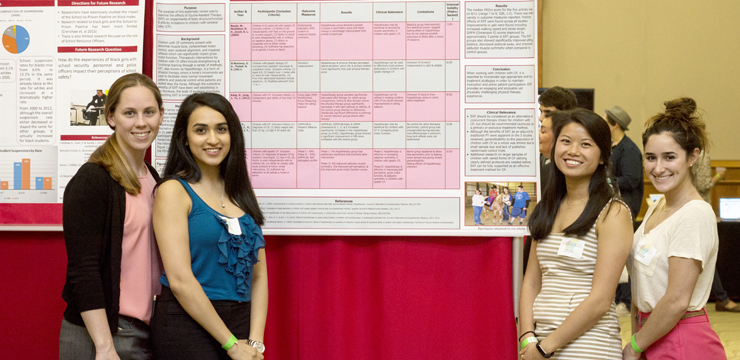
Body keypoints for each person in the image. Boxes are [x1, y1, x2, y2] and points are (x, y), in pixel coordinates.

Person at [150, 93, 267, 360]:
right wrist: (231, 345)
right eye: (201, 130)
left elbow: (258, 275)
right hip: (186, 325)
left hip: (241, 325)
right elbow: (180, 280)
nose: (213, 139)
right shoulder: (173, 191)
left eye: (221, 129)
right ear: (185, 138)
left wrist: (255, 341)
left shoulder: (241, 194)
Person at [59, 73, 164, 359]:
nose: (141, 123)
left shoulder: (154, 179)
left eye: (149, 112)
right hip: (105, 336)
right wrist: (105, 348)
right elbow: (84, 270)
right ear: (111, 118)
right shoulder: (92, 180)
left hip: (145, 331)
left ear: (161, 115)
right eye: (129, 113)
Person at [519, 109, 632, 359]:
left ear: (603, 156)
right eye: (566, 141)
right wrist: (527, 337)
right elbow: (531, 282)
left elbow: (601, 299)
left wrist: (545, 348)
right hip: (539, 345)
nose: (572, 151)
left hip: (588, 347)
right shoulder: (547, 208)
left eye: (585, 144)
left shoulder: (613, 212)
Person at [623, 98, 726, 360]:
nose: (658, 168)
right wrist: (638, 337)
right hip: (652, 334)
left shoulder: (694, 214)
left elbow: (677, 300)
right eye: (650, 158)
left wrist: (634, 347)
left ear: (693, 156)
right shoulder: (659, 207)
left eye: (670, 157)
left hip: (682, 338)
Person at [527, 87, 578, 273]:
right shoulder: (542, 156)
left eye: (548, 113)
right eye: (541, 112)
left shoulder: (574, 165)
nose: (541, 117)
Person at [603, 105, 644, 316]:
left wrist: (606, 182)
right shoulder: (613, 146)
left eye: (605, 119)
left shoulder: (629, 150)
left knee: (624, 251)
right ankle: (617, 298)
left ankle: (626, 302)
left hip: (626, 207)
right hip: (613, 207)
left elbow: (632, 179)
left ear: (615, 124)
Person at [691, 150, 739, 312]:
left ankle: (721, 297)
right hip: (699, 211)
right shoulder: (701, 155)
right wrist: (719, 176)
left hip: (690, 210)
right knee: (706, 256)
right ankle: (722, 298)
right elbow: (704, 185)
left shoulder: (683, 152)